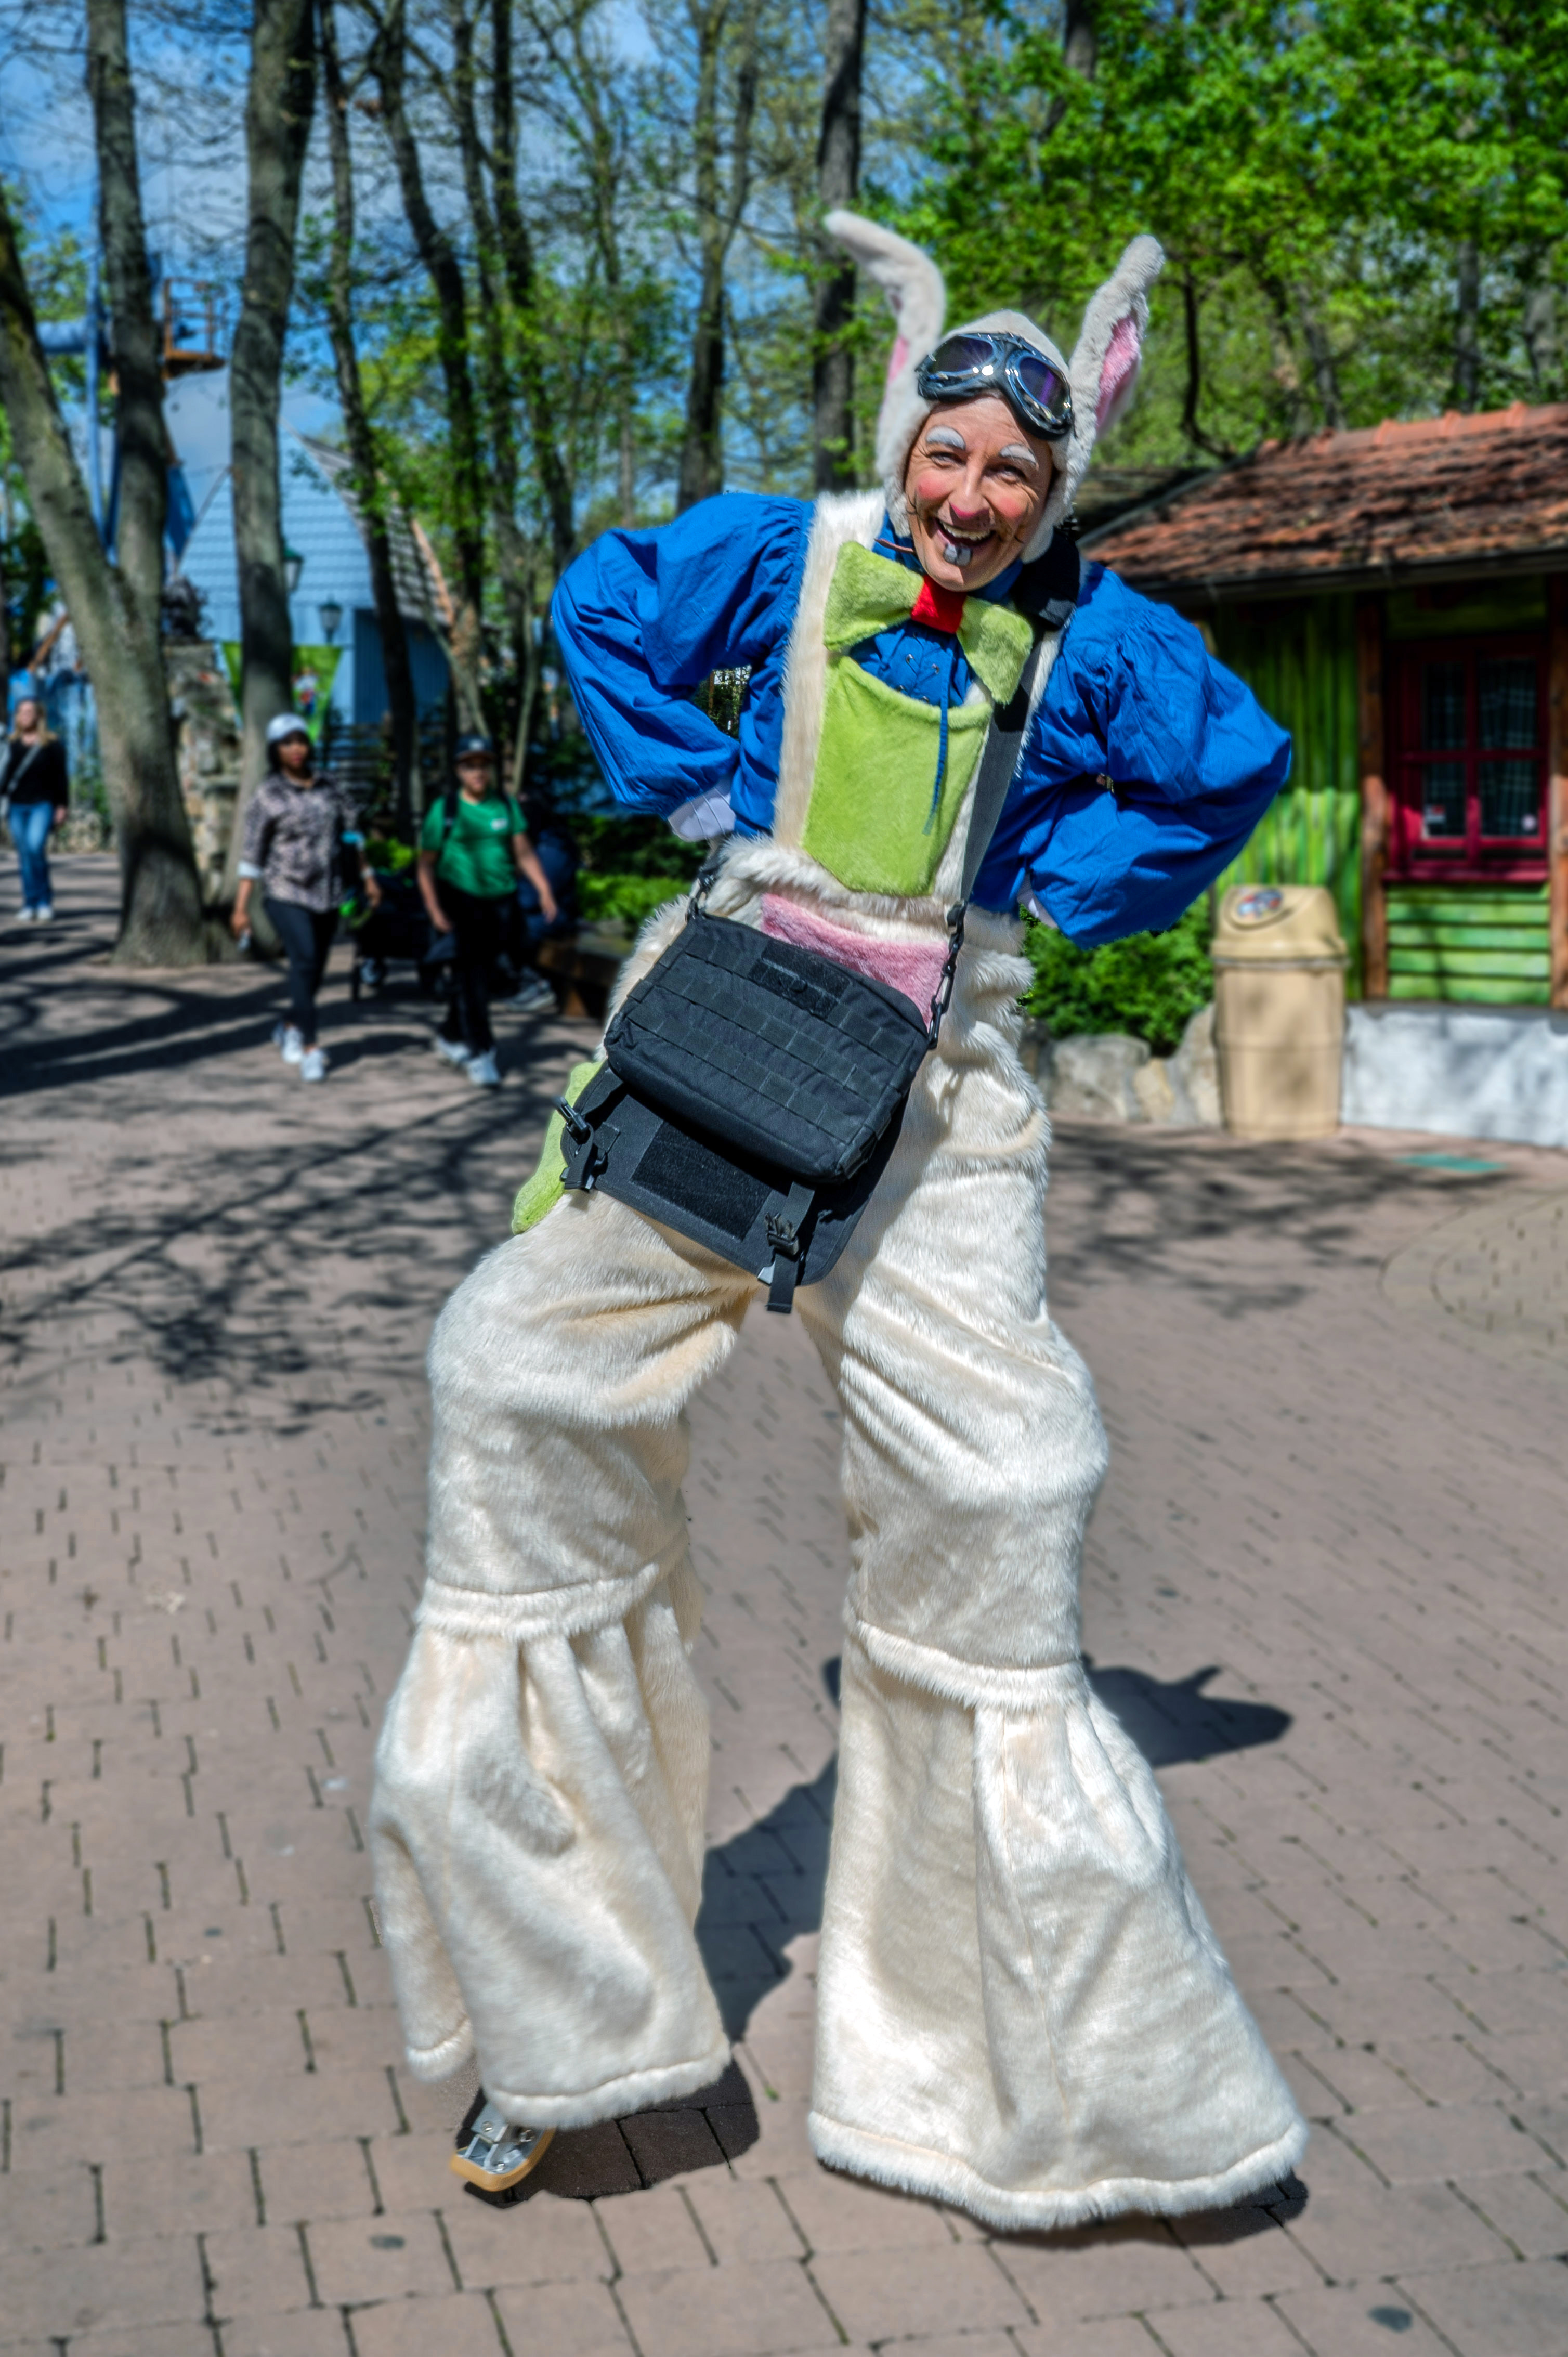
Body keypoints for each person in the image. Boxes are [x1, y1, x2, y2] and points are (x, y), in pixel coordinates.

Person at [369, 216, 1308, 2224]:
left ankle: (1003, 2067)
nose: (969, 500)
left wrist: (1050, 879)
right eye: (948, 453)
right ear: (903, 430)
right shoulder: (785, 550)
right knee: (505, 1388)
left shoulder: (1079, 627)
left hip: (933, 1105)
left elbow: (1235, 761)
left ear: (1062, 483)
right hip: (721, 1044)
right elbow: (608, 608)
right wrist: (709, 798)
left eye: (1015, 475)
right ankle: (558, 2025)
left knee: (1011, 1484)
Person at [233, 713, 376, 1083]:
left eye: (301, 740)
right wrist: (241, 908)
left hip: (327, 893)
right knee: (305, 958)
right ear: (275, 749)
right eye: (287, 742)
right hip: (285, 891)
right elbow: (252, 853)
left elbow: (353, 834)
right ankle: (311, 1046)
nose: (296, 749)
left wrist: (368, 876)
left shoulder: (330, 785)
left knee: (314, 970)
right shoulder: (268, 794)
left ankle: (290, 1025)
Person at [417, 735, 559, 1088]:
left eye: (483, 764)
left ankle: (450, 1035)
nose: (477, 771)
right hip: (460, 903)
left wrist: (543, 889)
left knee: (481, 977)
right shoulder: (446, 810)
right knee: (473, 977)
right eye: (469, 765)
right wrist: (434, 908)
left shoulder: (506, 806)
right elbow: (425, 864)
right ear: (458, 770)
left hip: (501, 905)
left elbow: (523, 851)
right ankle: (482, 1052)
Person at [505, 788, 579, 1011]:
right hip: (538, 916)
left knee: (514, 925)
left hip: (551, 919)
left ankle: (537, 984)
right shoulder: (536, 841)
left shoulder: (553, 847)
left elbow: (533, 898)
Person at [3, 697, 70, 922]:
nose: (26, 715)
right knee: (25, 855)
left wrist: (62, 806)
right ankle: (30, 903)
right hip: (16, 806)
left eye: (30, 711)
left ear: (39, 715)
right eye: (22, 712)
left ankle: (43, 902)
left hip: (42, 805)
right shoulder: (10, 745)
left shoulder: (52, 745)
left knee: (34, 847)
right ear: (17, 718)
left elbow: (61, 778)